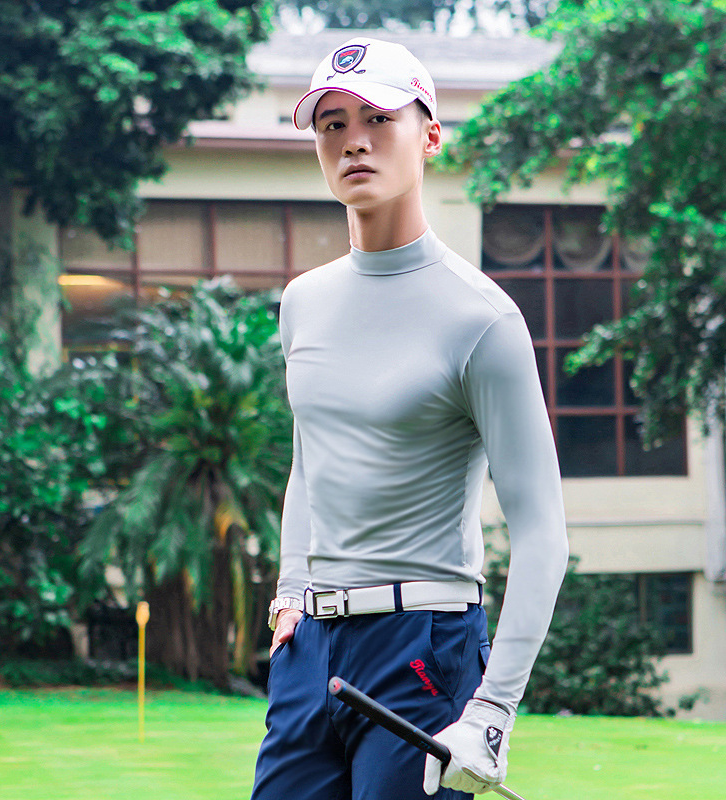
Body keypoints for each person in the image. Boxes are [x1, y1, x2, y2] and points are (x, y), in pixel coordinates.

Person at [251, 37, 569, 800]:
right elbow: (310, 460)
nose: (353, 141)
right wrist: (292, 590)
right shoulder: (303, 302)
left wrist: (492, 712)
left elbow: (542, 533)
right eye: (332, 124)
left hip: (424, 648)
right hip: (310, 649)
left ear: (429, 136)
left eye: (378, 119)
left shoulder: (482, 319)